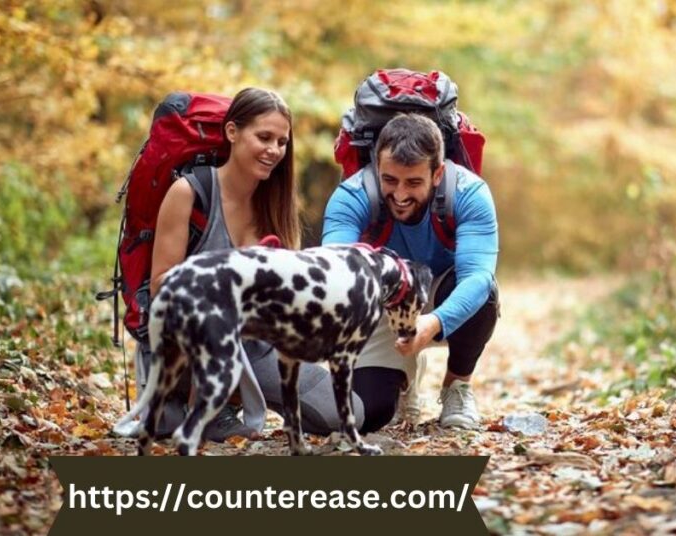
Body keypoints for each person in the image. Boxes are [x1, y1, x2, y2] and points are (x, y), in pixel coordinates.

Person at [140, 87, 387, 441]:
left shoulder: (276, 208)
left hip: (256, 345)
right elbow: (161, 282)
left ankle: (233, 397)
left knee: (348, 413)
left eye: (282, 142)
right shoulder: (189, 193)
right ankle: (207, 409)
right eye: (264, 137)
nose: (274, 150)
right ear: (232, 132)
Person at [322, 113, 500, 429]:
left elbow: (478, 277)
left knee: (484, 296)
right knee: (370, 414)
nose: (401, 195)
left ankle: (456, 387)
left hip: (440, 291)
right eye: (389, 180)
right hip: (379, 298)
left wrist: (433, 323)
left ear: (437, 173)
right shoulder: (351, 196)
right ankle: (402, 381)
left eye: (413, 182)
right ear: (377, 167)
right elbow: (335, 271)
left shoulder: (470, 194)